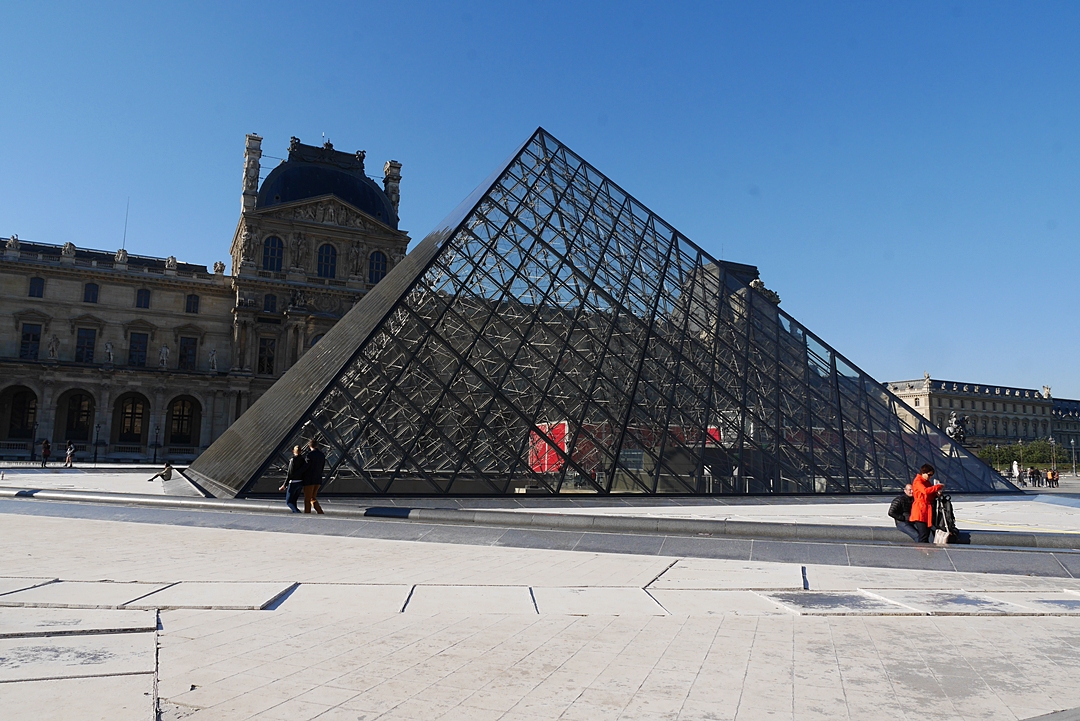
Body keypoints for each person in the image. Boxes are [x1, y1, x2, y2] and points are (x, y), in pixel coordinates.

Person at [909, 463, 944, 543]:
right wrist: (938, 486)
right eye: (929, 475)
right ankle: (922, 549)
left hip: (926, 508)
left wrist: (936, 494)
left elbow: (929, 494)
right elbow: (925, 491)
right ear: (923, 473)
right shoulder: (918, 481)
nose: (930, 477)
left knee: (926, 533)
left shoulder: (926, 482)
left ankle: (924, 548)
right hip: (920, 509)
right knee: (923, 534)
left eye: (931, 475)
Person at [277, 445, 306, 513]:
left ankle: (297, 512)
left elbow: (290, 474)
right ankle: (295, 513)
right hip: (300, 482)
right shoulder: (303, 460)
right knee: (294, 500)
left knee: (289, 502)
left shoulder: (293, 460)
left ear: (293, 451)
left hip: (293, 482)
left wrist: (284, 485)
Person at [302, 438, 325, 514]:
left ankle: (307, 513)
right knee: (313, 498)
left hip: (309, 480)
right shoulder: (322, 455)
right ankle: (320, 512)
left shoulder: (310, 455)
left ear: (309, 446)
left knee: (307, 499)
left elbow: (306, 467)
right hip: (318, 479)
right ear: (317, 445)